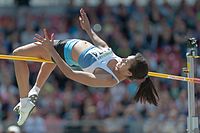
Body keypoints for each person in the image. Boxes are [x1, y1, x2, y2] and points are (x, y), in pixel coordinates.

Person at [13, 8, 159, 126]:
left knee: (17, 55)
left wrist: (51, 49)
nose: (123, 60)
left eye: (126, 62)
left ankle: (25, 101)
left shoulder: (108, 79)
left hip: (63, 50)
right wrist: (89, 30)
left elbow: (70, 74)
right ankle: (34, 92)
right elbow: (103, 46)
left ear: (128, 73)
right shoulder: (120, 63)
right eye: (126, 58)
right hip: (67, 48)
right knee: (49, 61)